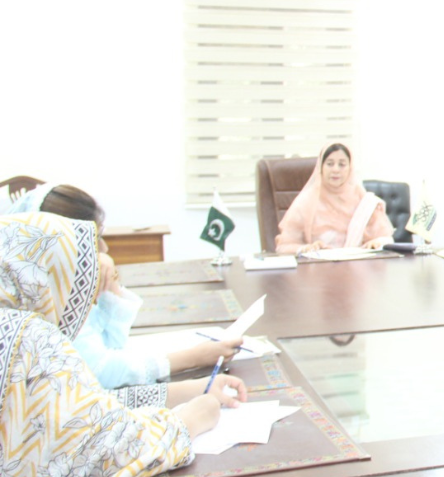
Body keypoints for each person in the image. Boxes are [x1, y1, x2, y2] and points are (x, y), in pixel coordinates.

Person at [0, 212, 248, 476]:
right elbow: (110, 449)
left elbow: (92, 401)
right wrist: (188, 421)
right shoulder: (28, 338)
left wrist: (195, 389)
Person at [7, 184, 245, 389]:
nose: (104, 249)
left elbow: (113, 343)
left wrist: (112, 287)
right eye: (93, 240)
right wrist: (193, 358)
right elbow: (100, 373)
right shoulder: (38, 301)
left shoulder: (52, 279)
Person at [275, 143, 395, 254]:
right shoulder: (305, 203)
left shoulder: (364, 202)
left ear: (350, 168)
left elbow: (386, 239)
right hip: (318, 272)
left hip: (359, 270)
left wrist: (377, 243)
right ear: (321, 168)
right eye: (330, 164)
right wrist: (306, 248)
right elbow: (283, 247)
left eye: (342, 164)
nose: (336, 170)